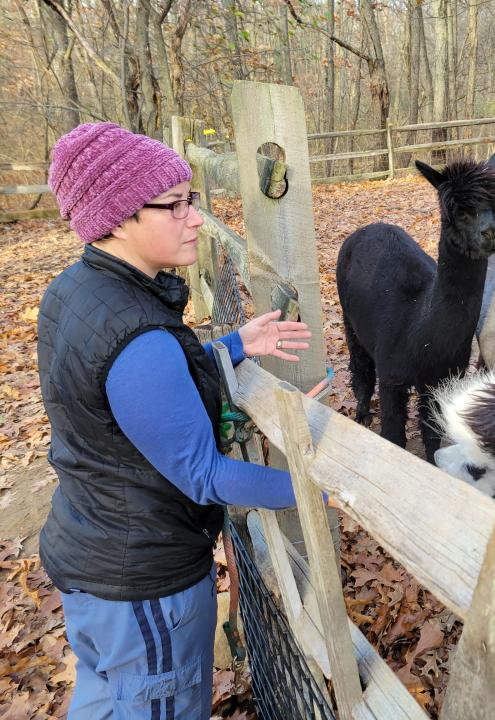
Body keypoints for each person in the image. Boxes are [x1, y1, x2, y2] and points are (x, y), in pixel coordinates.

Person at [37, 122, 312, 718]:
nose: (195, 218)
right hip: (145, 591)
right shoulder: (139, 333)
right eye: (175, 205)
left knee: (108, 702)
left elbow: (123, 399)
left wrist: (235, 343)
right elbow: (205, 475)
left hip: (93, 564)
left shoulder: (75, 292)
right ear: (117, 218)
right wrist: (318, 490)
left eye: (192, 199)